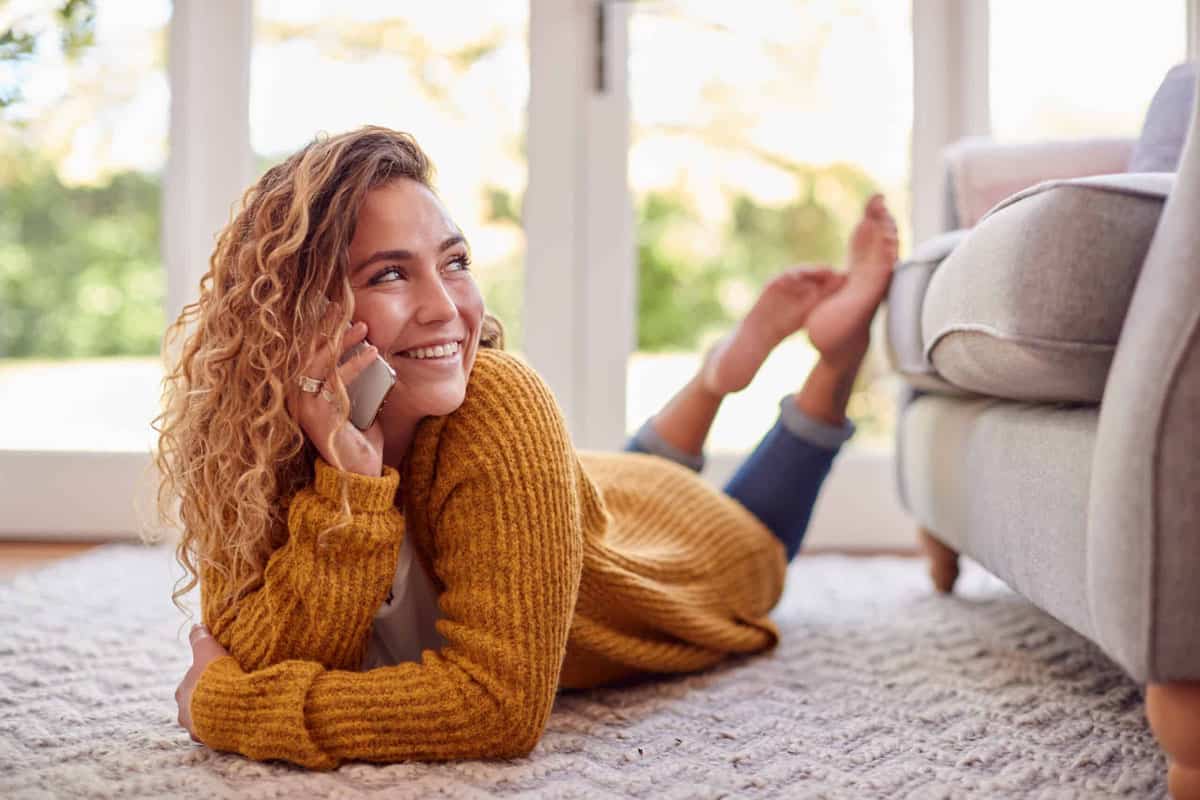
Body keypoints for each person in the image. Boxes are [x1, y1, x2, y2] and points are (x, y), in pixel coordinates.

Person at [162, 126, 898, 770]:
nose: (446, 307)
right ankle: (717, 375)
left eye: (455, 261)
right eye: (389, 274)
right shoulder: (251, 446)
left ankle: (835, 357)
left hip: (659, 556)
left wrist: (229, 709)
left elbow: (495, 707)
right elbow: (259, 655)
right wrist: (349, 488)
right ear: (298, 315)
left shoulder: (500, 400)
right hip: (585, 490)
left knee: (760, 545)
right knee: (609, 483)